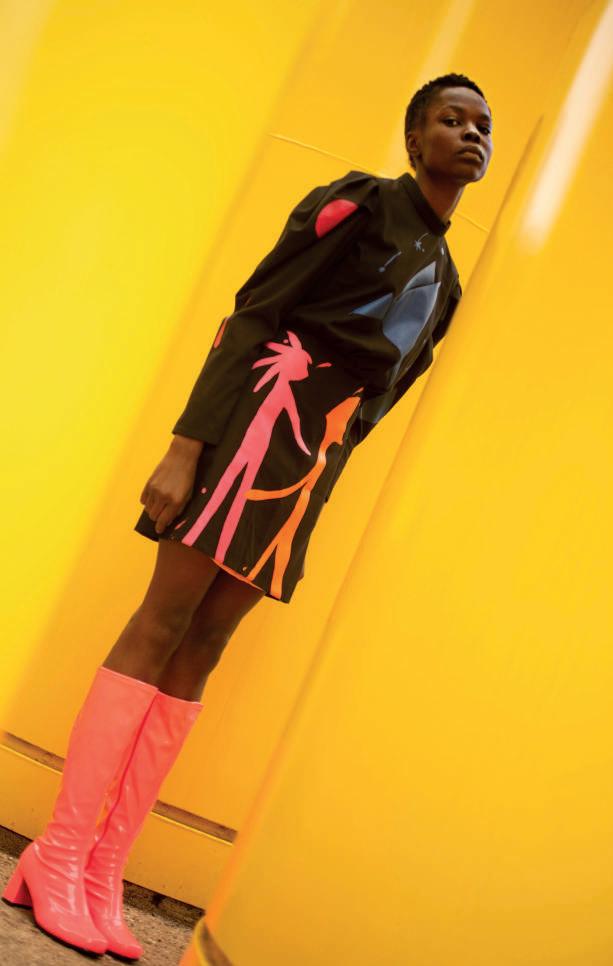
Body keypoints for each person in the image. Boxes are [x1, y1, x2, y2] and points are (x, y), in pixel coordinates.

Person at [2, 72, 493, 958]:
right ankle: (60, 851)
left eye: (481, 126)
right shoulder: (358, 204)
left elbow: (381, 399)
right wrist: (186, 446)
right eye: (450, 119)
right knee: (161, 622)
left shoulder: (450, 283)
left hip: (307, 468)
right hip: (247, 428)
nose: (470, 135)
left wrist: (321, 469)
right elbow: (254, 311)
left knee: (208, 645)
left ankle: (106, 867)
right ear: (413, 137)